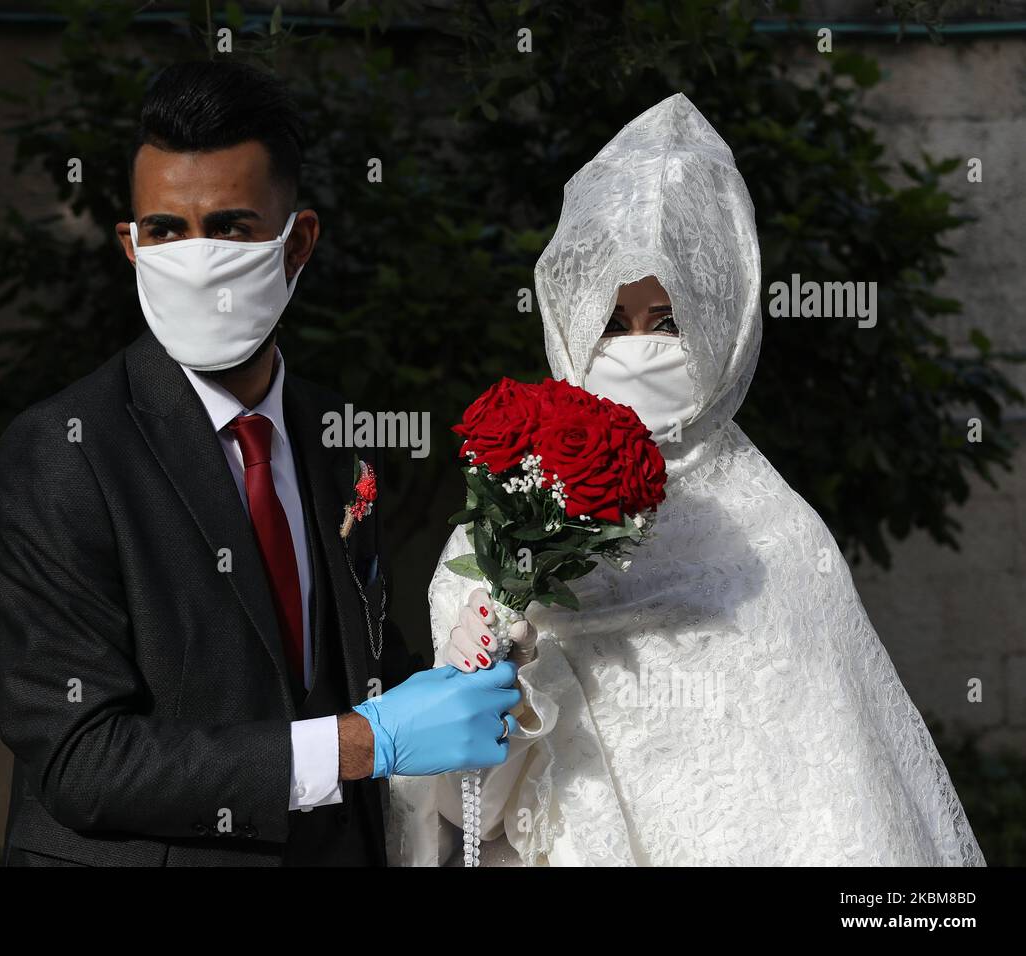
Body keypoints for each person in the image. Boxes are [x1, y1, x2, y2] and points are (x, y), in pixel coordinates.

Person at [388, 93, 985, 867]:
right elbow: (466, 814)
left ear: (721, 323)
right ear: (571, 326)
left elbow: (843, 811)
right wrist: (491, 676)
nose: (639, 350)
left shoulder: (777, 539)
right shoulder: (503, 528)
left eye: (667, 322)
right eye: (613, 322)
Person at [0, 61, 519, 867]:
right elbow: (78, 758)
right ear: (130, 246)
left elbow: (360, 666)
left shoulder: (339, 434)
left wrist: (497, 639)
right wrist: (353, 746)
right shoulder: (61, 453)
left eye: (230, 227)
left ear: (296, 242)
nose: (197, 259)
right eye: (165, 229)